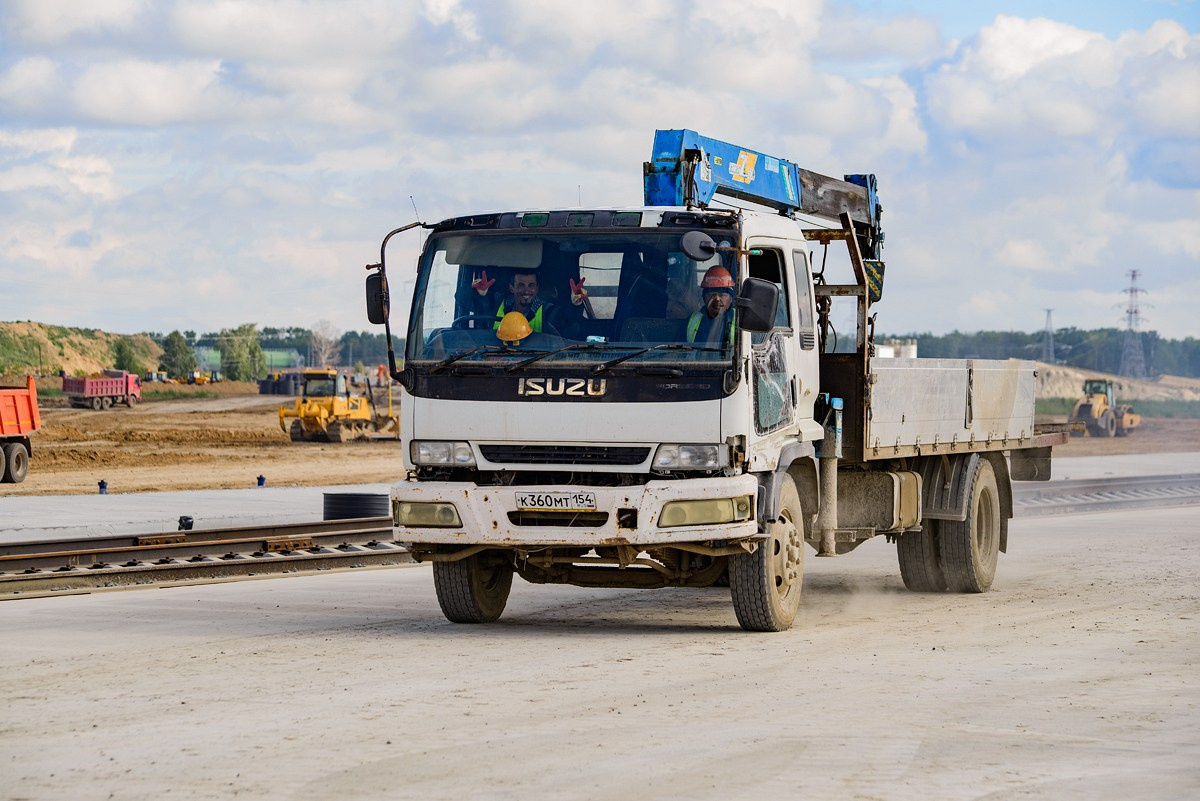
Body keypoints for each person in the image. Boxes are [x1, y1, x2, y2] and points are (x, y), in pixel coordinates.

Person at [470, 269, 586, 337]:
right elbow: (467, 302)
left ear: (537, 289)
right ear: (511, 288)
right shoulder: (495, 303)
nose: (526, 290)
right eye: (521, 285)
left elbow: (568, 320)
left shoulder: (548, 311)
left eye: (531, 285)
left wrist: (575, 304)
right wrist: (479, 294)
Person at [686, 265, 736, 345]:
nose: (717, 299)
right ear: (704, 298)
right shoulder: (693, 320)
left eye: (722, 295)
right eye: (711, 294)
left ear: (731, 299)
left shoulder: (740, 320)